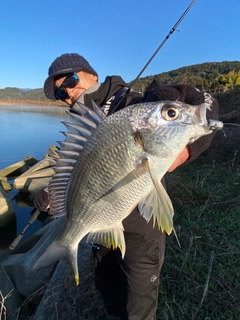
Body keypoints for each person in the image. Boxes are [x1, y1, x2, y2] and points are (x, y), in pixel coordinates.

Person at [34, 53, 219, 320]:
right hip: (102, 225)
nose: (68, 92)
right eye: (60, 92)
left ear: (92, 75)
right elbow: (75, 170)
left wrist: (187, 149)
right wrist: (51, 193)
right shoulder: (80, 124)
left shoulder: (135, 104)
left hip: (141, 231)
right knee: (108, 292)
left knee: (138, 306)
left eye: (71, 80)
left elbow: (204, 103)